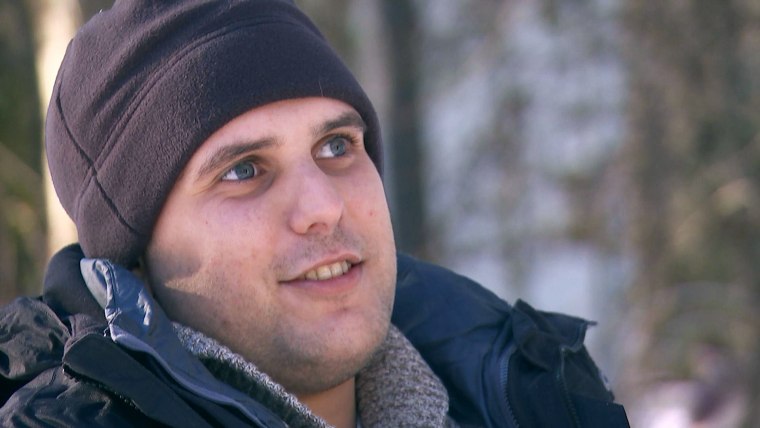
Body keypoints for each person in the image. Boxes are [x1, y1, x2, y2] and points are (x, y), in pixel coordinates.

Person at [0, 1, 629, 426]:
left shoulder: (538, 397)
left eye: (336, 147)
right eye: (243, 170)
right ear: (136, 253)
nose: (323, 207)